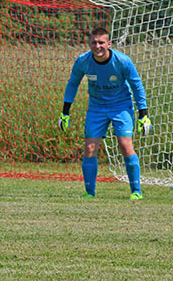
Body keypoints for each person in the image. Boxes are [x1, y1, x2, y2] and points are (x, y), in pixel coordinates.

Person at [59, 26, 151, 199]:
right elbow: (73, 84)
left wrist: (143, 114)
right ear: (89, 44)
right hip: (97, 108)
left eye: (101, 42)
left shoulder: (122, 61)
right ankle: (89, 193)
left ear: (109, 44)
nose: (97, 46)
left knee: (125, 145)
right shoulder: (83, 61)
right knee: (90, 148)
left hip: (121, 106)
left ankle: (136, 192)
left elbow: (137, 86)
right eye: (94, 42)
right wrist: (65, 112)